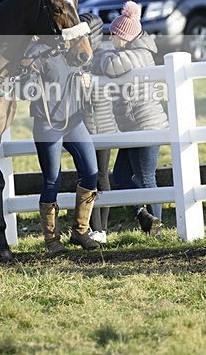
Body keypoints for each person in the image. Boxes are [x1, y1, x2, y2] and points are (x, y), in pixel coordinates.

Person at [96, 1, 168, 236]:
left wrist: (99, 56)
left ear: (124, 36)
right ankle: (142, 214)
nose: (111, 39)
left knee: (147, 178)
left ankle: (156, 229)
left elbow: (109, 65)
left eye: (114, 35)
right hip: (133, 127)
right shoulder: (130, 51)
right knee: (121, 175)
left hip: (145, 125)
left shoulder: (138, 54)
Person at [26, 32, 100, 254]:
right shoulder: (36, 52)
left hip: (73, 121)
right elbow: (25, 88)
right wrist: (31, 78)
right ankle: (52, 241)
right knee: (52, 180)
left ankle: (81, 231)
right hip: (48, 123)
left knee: (91, 172)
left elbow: (81, 64)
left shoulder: (69, 49)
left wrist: (85, 77)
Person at [79, 13, 117, 244]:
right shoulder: (81, 55)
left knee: (98, 174)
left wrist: (88, 81)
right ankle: (96, 228)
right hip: (86, 123)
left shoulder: (101, 56)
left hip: (99, 124)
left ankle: (100, 228)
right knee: (91, 175)